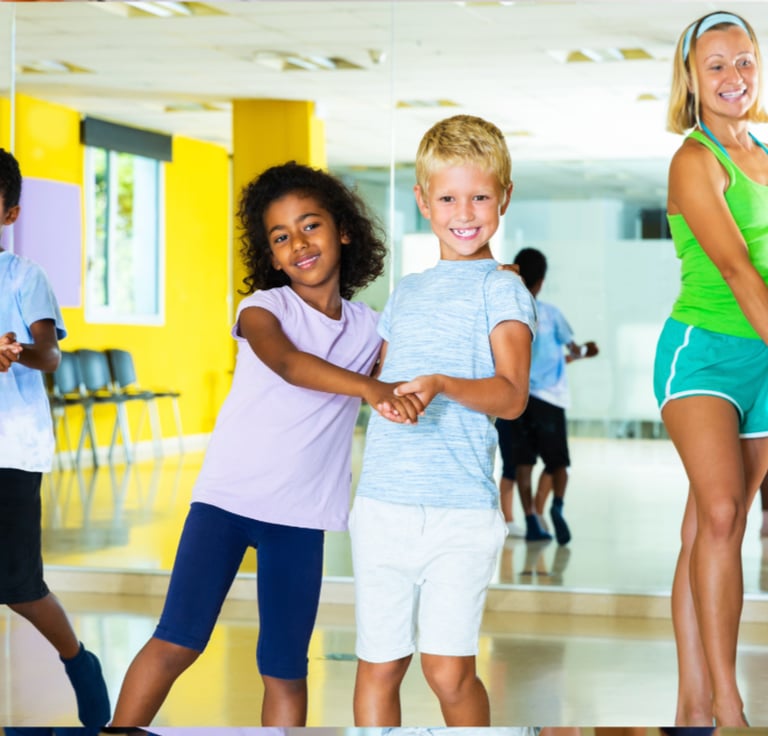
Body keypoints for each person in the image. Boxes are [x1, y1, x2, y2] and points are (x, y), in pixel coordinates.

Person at [110, 162, 423, 727]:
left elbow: (418, 363)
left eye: (310, 226)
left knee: (284, 668)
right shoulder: (263, 308)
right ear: (272, 257)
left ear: (343, 230)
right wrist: (370, 388)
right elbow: (287, 363)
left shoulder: (370, 328)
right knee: (178, 640)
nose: (299, 244)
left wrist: (474, 280)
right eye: (282, 237)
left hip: (300, 517)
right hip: (226, 502)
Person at [348, 114, 537, 726]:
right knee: (378, 665)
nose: (465, 211)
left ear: (503, 197)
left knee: (446, 671)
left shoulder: (504, 290)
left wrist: (441, 385)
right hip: (381, 505)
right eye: (449, 196)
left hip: (458, 513)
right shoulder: (405, 291)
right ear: (422, 200)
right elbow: (376, 378)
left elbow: (512, 397)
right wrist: (384, 395)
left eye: (480, 196)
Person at [653, 10, 768, 727]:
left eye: (745, 61)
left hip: (764, 352)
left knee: (710, 526)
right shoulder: (694, 160)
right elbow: (734, 269)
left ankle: (691, 701)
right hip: (703, 353)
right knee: (721, 510)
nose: (734, 76)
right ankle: (728, 701)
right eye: (716, 64)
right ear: (691, 78)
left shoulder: (766, 152)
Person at [0, 148, 111, 728]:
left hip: (10, 451)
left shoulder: (24, 276)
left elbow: (50, 354)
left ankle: (78, 662)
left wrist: (15, 351)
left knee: (17, 584)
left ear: (10, 214)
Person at [495, 248, 598, 546]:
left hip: (517, 399)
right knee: (557, 464)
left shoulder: (507, 315)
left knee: (521, 464)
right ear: (540, 281)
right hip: (550, 401)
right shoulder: (550, 314)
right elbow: (573, 350)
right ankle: (552, 508)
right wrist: (585, 352)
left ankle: (530, 519)